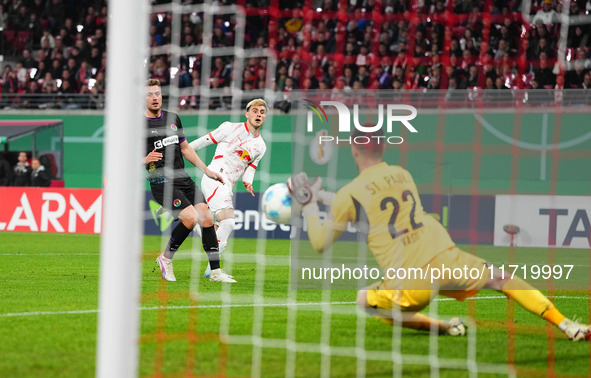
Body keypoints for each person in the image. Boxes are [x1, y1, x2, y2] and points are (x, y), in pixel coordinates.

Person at [289, 128, 590, 341]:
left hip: (411, 278)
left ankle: (442, 327)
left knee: (363, 299)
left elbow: (319, 242)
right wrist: (322, 196)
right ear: (383, 148)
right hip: (446, 257)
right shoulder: (402, 174)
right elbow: (370, 206)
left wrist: (310, 205)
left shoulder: (349, 193)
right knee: (501, 278)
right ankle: (566, 325)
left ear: (353, 150)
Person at [144, 78, 235, 283]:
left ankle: (215, 272)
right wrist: (144, 159)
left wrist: (207, 170)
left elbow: (185, 148)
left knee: (207, 218)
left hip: (182, 178)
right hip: (161, 182)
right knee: (190, 218)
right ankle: (165, 259)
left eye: (157, 93)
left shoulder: (173, 118)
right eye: (150, 94)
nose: (155, 97)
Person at [188, 98, 268, 279]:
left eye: (262, 112)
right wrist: (182, 150)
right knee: (229, 221)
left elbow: (250, 168)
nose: (258, 114)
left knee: (214, 229)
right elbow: (202, 142)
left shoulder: (261, 146)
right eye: (254, 111)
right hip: (215, 176)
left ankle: (192, 222)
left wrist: (248, 181)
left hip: (228, 185)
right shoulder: (229, 127)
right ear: (247, 114)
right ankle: (214, 270)